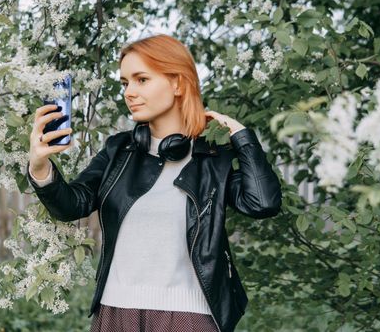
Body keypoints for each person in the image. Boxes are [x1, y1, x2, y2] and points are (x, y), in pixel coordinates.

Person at [26, 34, 282, 332]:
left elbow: (262, 203)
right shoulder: (118, 151)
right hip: (116, 312)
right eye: (125, 83)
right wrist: (40, 165)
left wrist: (242, 137)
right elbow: (72, 204)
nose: (129, 92)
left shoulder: (213, 157)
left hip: (190, 317)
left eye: (142, 80)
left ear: (177, 82)